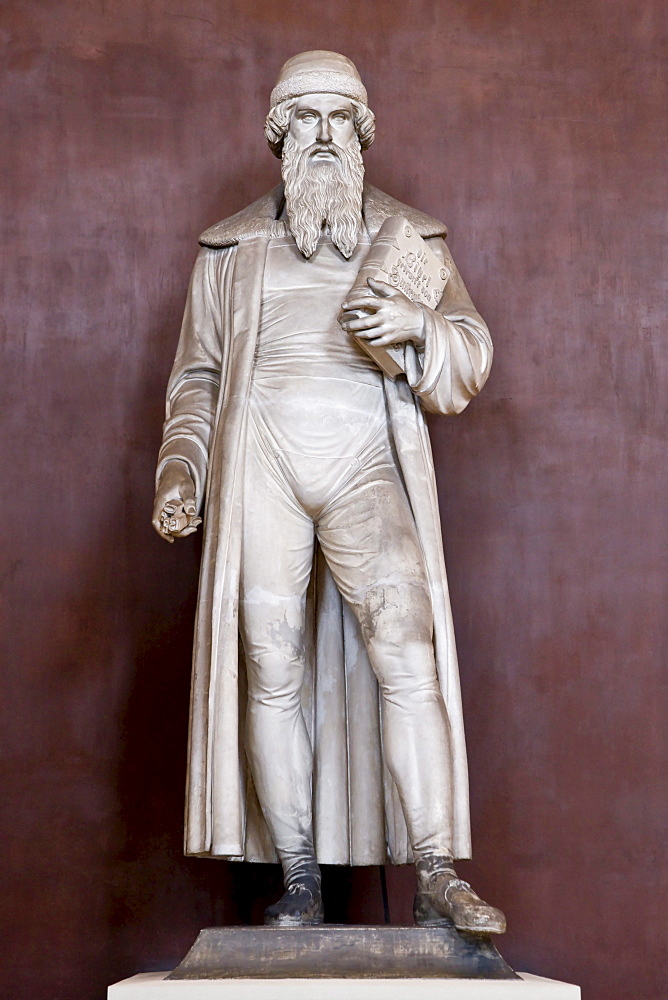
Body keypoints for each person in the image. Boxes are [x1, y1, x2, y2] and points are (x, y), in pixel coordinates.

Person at [152, 50, 504, 934]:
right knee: (271, 665)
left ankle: (435, 869)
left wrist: (419, 327)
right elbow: (196, 377)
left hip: (363, 464)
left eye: (338, 118)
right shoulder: (231, 250)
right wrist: (180, 466)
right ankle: (300, 879)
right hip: (261, 465)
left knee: (406, 649)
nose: (320, 134)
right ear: (277, 137)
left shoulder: (409, 242)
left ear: (362, 135)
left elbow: (469, 354)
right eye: (301, 118)